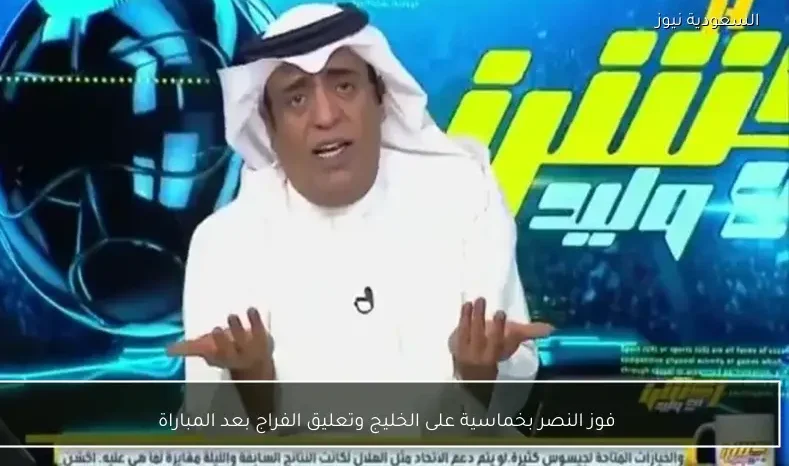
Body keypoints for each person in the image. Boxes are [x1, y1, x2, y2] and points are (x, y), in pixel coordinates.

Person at [168, 2, 554, 423]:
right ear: (268, 125)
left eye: (345, 86)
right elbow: (211, 431)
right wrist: (254, 389)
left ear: (380, 98)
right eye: (296, 98)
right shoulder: (224, 244)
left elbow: (509, 391)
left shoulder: (462, 192)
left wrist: (477, 378)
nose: (326, 116)